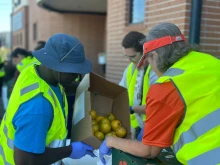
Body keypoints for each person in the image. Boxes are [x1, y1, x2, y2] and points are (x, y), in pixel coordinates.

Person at [99, 23, 220, 165]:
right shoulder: (211, 62)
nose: (150, 66)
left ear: (154, 55)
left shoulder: (166, 86)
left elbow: (149, 151)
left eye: (148, 60)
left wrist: (110, 141)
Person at [0, 34, 94, 165]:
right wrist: (70, 150)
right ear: (56, 67)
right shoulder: (39, 107)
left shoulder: (36, 68)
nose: (77, 77)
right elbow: (26, 161)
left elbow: (62, 86)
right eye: (74, 73)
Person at [120, 31, 158, 140]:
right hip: (135, 127)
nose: (130, 61)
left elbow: (157, 107)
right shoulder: (130, 69)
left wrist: (132, 109)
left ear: (145, 52)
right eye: (126, 56)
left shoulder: (155, 72)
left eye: (133, 57)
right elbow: (120, 92)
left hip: (152, 128)